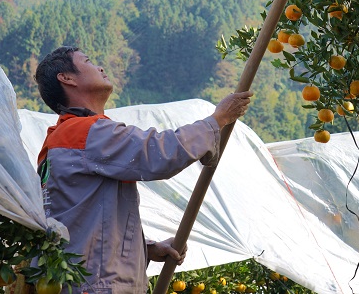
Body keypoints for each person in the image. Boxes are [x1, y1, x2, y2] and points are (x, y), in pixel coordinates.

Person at [33, 46, 252, 294]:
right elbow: (159, 152)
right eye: (89, 61)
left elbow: (80, 221)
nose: (100, 67)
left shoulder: (59, 141)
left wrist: (145, 248)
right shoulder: (84, 132)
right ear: (67, 78)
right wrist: (217, 120)